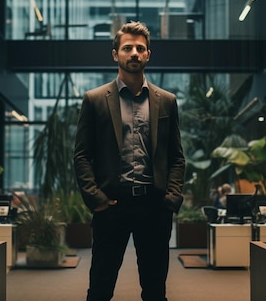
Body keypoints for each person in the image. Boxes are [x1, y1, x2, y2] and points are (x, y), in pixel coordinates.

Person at [73, 21, 186, 301]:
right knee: (100, 288)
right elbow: (82, 155)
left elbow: (176, 156)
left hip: (154, 207)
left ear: (148, 54)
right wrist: (95, 198)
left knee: (155, 290)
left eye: (140, 48)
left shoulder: (167, 101)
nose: (134, 53)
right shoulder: (95, 99)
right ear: (115, 54)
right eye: (127, 48)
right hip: (112, 206)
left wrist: (171, 199)